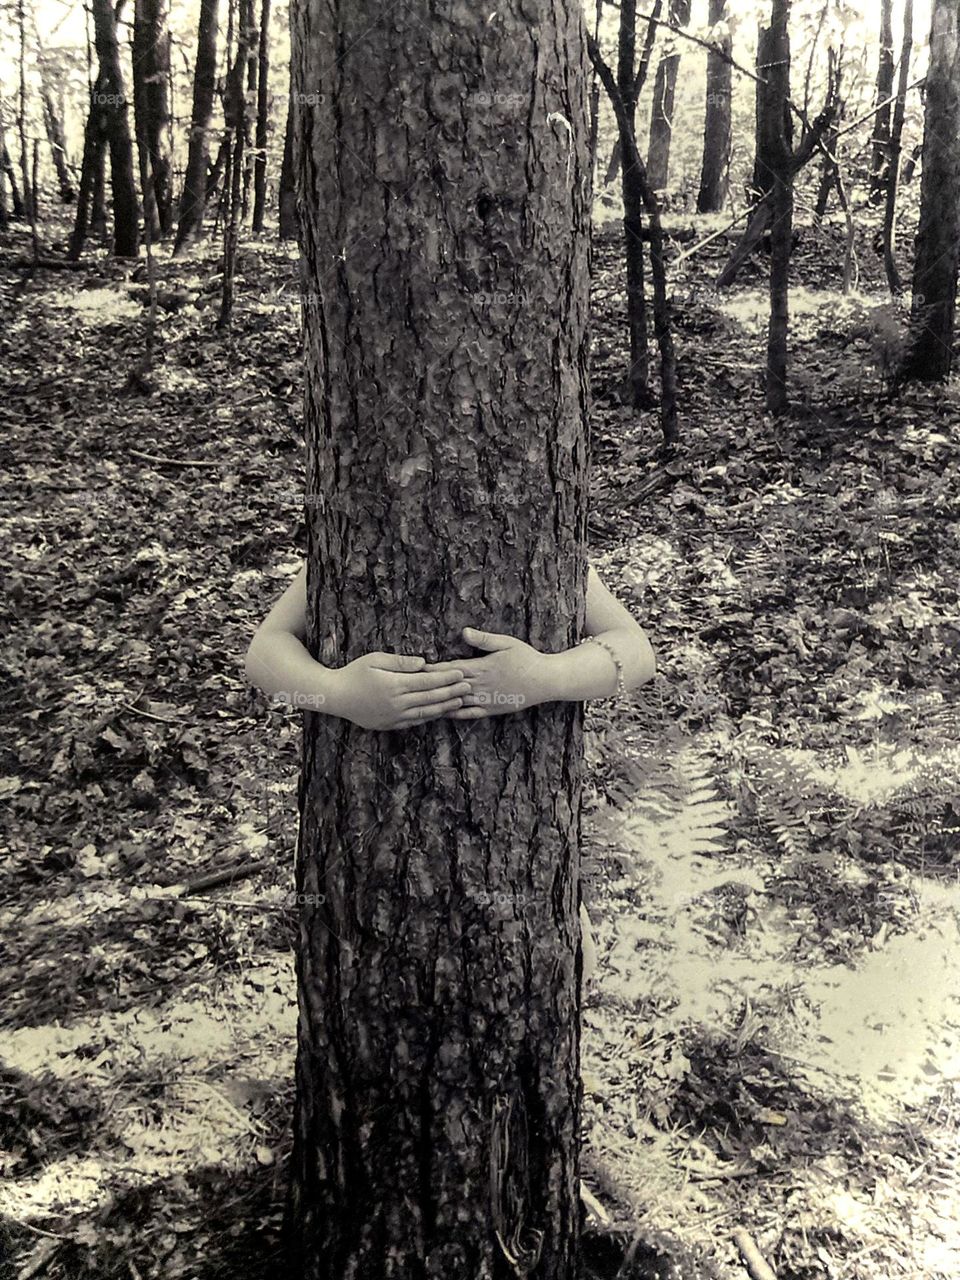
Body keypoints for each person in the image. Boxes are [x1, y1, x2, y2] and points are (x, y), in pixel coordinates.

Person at [244, 557, 657, 990]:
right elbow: (264, 651)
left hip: (520, 876)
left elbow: (637, 653)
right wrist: (339, 693)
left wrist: (545, 676)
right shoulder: (347, 545)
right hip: (366, 867)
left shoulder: (546, 553)